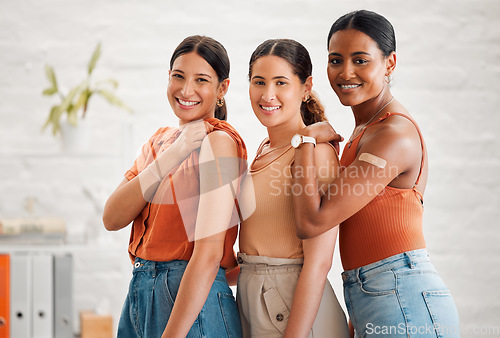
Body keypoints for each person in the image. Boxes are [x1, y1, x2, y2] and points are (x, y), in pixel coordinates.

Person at [291, 10, 460, 337]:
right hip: (377, 292)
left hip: (402, 295)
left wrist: (304, 141)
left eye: (360, 60)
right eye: (336, 60)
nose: (345, 72)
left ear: (390, 63)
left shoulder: (393, 134)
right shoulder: (364, 131)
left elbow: (310, 222)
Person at [102, 35, 245, 338]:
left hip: (191, 299)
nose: (186, 89)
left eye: (201, 80)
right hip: (141, 291)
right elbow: (112, 218)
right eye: (178, 76)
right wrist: (174, 154)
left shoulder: (218, 142)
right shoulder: (159, 143)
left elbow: (207, 255)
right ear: (168, 78)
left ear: (222, 89)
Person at [236, 38, 349, 338]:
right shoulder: (262, 148)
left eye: (281, 82)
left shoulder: (316, 153)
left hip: (292, 309)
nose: (268, 94)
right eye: (259, 82)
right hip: (254, 298)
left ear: (306, 87)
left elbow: (319, 261)